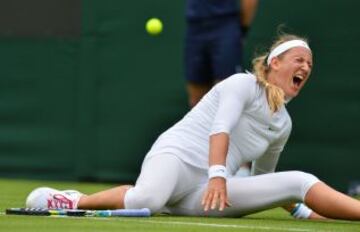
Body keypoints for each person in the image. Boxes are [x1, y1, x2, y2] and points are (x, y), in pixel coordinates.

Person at [26, 33, 360, 220]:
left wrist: (304, 211)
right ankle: (74, 201)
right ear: (275, 63)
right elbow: (221, 128)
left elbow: (264, 181)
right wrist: (218, 175)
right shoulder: (241, 85)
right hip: (177, 157)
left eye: (310, 64)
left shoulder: (283, 124)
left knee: (298, 180)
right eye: (299, 59)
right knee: (149, 201)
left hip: (210, 190)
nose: (306, 66)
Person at [185, 0, 258, 108]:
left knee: (228, 96)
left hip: (225, 25)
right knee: (196, 100)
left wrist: (243, 30)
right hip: (195, 25)